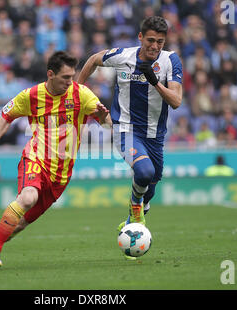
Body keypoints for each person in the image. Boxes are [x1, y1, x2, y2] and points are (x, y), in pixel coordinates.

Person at [0, 51, 110, 269]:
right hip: (36, 157)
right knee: (28, 197)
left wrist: (104, 117)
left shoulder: (82, 94)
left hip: (61, 174)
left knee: (18, 225)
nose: (71, 82)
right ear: (50, 74)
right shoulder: (31, 95)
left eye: (72, 76)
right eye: (65, 77)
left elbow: (107, 125)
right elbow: (6, 115)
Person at [77, 16, 183, 260]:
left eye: (159, 41)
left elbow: (176, 101)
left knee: (152, 184)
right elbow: (94, 59)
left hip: (155, 136)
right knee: (144, 173)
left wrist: (154, 81)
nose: (154, 46)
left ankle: (130, 221)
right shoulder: (123, 56)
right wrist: (78, 89)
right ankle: (135, 208)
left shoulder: (170, 60)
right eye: (150, 40)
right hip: (125, 129)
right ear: (140, 38)